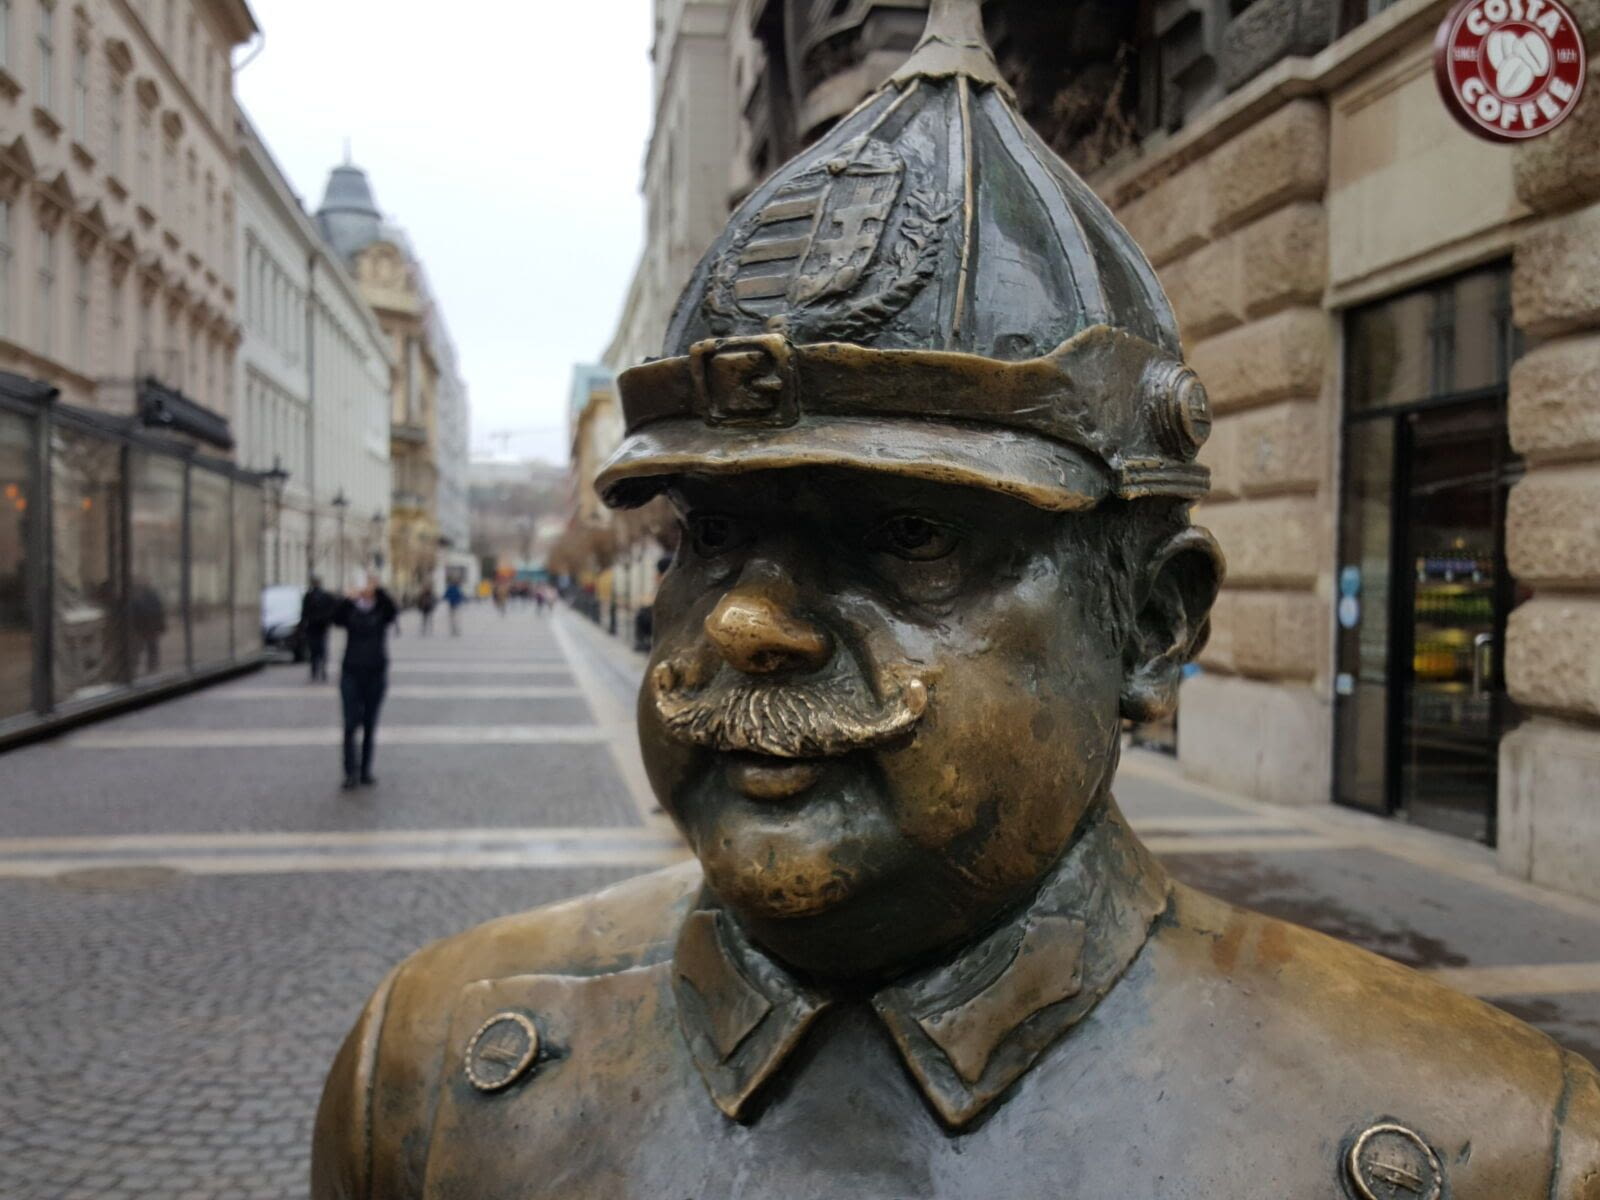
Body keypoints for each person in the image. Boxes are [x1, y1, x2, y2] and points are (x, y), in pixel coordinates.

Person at [311, 4, 1600, 1197]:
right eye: (710, 533)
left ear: (1152, 625)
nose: (745, 623)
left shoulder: (1490, 1145)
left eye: (908, 535)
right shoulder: (431, 1080)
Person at [330, 573, 396, 791]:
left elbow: (393, 611)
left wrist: (379, 590)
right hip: (351, 672)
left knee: (369, 724)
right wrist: (349, 598)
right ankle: (350, 772)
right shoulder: (350, 609)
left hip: (375, 673)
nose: (366, 591)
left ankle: (366, 770)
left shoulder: (381, 609)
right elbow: (336, 617)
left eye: (369, 587)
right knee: (350, 724)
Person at [299, 576, 338, 683]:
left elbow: (304, 613)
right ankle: (320, 670)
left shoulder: (309, 596)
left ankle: (316, 670)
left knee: (314, 649)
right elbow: (333, 609)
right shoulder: (323, 596)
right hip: (320, 626)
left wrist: (302, 626)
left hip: (315, 626)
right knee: (321, 648)